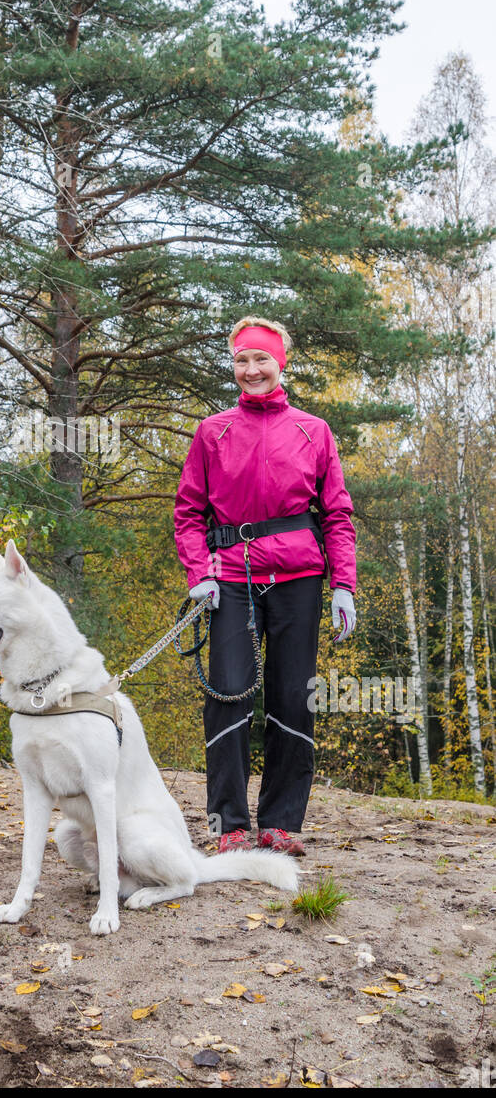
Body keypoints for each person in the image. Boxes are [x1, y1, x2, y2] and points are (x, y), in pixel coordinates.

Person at [173, 317, 357, 856]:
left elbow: (338, 515)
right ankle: (227, 823)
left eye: (261, 359)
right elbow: (188, 514)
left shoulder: (314, 430)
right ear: (233, 366)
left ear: (282, 363)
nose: (251, 370)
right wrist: (199, 573)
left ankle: (280, 823)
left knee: (292, 697)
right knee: (228, 693)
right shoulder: (212, 432)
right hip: (230, 577)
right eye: (241, 360)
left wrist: (343, 584)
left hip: (300, 575)